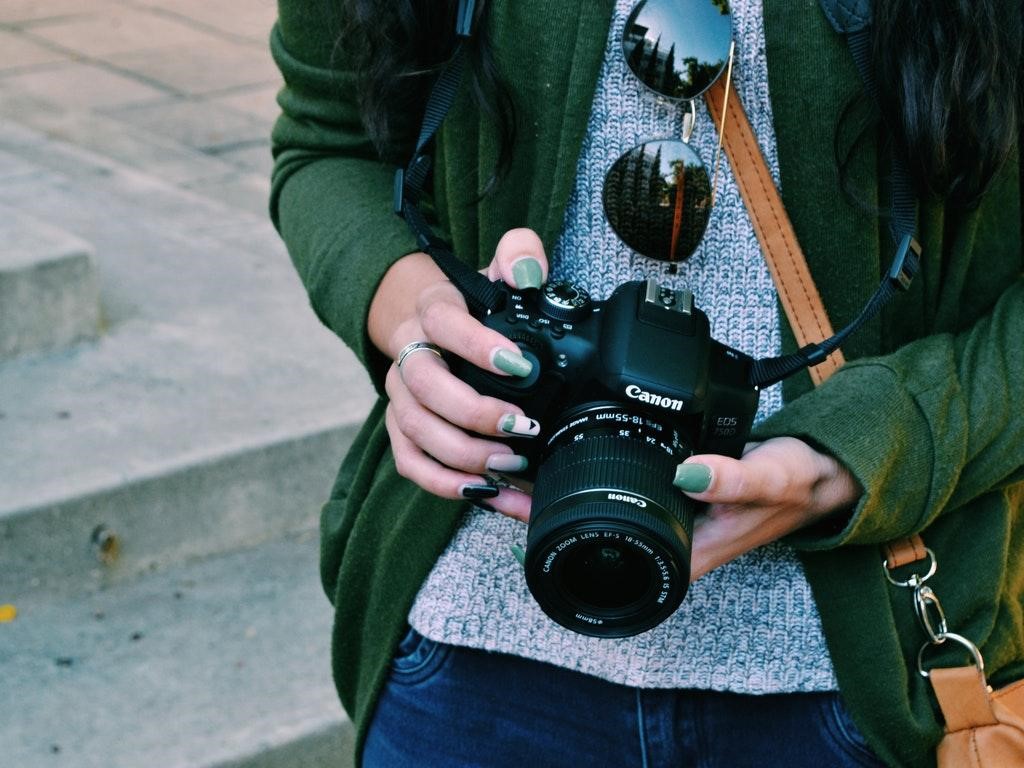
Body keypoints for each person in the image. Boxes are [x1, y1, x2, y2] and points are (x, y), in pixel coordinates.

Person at [269, 0, 1023, 766]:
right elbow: (328, 142)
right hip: (467, 660)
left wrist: (869, 447)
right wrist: (419, 321)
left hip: (861, 682)